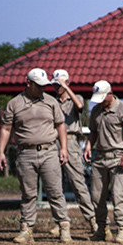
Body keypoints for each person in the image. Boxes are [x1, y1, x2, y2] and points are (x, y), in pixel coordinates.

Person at [0, 68, 72, 244]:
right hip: (25, 153)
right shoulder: (14, 104)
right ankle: (26, 229)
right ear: (28, 83)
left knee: (55, 191)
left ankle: (64, 227)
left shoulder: (51, 102)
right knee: (28, 193)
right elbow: (6, 129)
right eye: (38, 86)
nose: (42, 89)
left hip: (49, 151)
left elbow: (60, 125)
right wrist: (0, 152)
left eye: (44, 86)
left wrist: (64, 148)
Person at [86, 79, 123, 244]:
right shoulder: (96, 110)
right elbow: (93, 132)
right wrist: (88, 146)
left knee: (118, 195)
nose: (100, 101)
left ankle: (122, 228)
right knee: (97, 196)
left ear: (110, 93)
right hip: (99, 158)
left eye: (103, 97)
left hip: (118, 157)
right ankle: (102, 229)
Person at [50, 69, 96, 235]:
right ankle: (61, 221)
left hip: (71, 142)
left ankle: (92, 220)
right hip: (54, 141)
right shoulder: (52, 101)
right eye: (55, 85)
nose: (57, 88)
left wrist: (66, 88)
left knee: (78, 183)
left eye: (60, 85)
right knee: (55, 185)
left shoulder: (76, 98)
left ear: (67, 83)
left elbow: (80, 106)